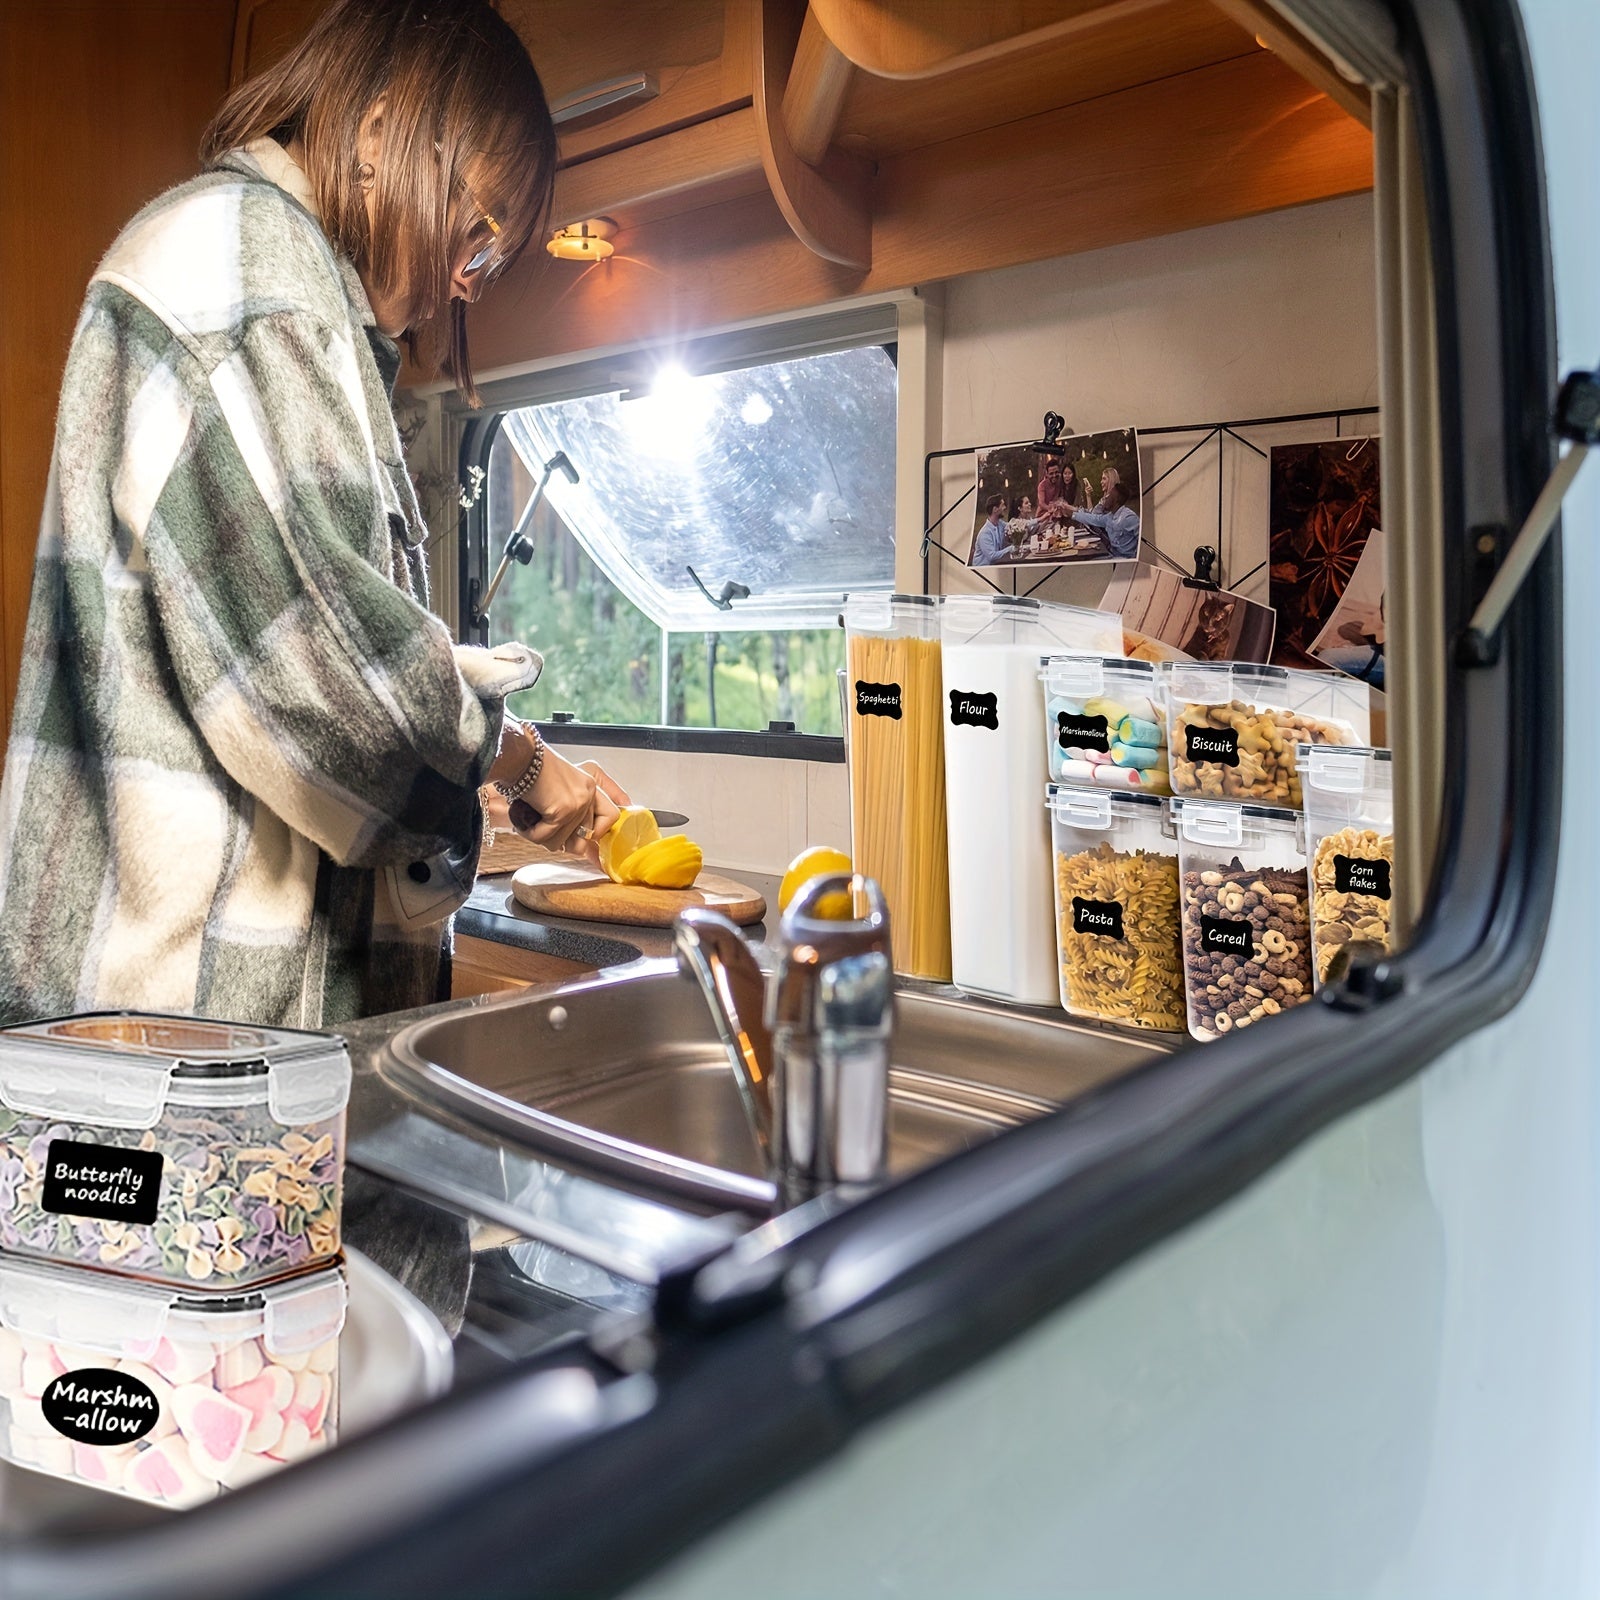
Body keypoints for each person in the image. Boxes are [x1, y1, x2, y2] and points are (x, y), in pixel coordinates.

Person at [0, 0, 629, 1028]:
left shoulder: (283, 286)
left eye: (488, 258)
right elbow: (339, 697)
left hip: (180, 1039)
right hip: (184, 1051)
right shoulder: (250, 268)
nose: (467, 284)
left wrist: (498, 761)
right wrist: (516, 760)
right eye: (477, 232)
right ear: (379, 135)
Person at [1070, 479, 1142, 559]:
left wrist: (1135, 559)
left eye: (1109, 495)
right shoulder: (1109, 516)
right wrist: (1072, 514)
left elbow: (1143, 540)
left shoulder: (1129, 518)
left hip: (1125, 559)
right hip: (1112, 555)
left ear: (1117, 499)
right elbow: (1093, 518)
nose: (1106, 498)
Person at [973, 495, 1017, 564]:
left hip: (995, 565)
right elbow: (992, 556)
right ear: (995, 509)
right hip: (982, 568)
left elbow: (1013, 526)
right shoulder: (985, 533)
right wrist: (1010, 548)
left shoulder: (1000, 524)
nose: (1005, 508)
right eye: (1002, 505)